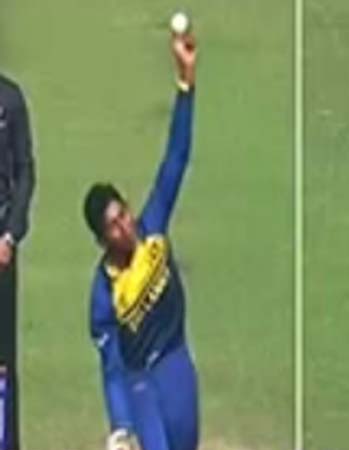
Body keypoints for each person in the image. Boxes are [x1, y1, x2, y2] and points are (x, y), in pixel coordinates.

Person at [84, 29, 199, 450]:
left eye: (124, 214)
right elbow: (112, 366)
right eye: (113, 226)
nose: (125, 226)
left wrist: (186, 84)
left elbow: (176, 158)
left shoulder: (153, 230)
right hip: (143, 386)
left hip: (178, 367)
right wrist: (120, 425)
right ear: (102, 240)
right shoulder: (104, 293)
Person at [0, 73, 35, 450]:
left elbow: (25, 170)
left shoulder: (9, 99)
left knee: (2, 360)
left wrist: (10, 235)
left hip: (0, 251)